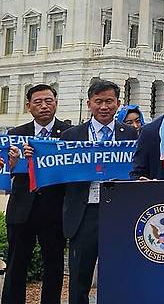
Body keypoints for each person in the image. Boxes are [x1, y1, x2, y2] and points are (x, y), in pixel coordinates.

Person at [63, 80, 138, 304]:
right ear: (89, 104)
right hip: (83, 213)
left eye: (109, 101)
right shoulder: (71, 136)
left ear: (118, 104)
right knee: (79, 277)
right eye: (98, 102)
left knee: (117, 274)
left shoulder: (130, 135)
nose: (104, 107)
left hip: (119, 212)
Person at [2, 84, 71, 304]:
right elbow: (6, 173)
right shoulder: (15, 135)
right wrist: (13, 164)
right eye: (38, 102)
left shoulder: (69, 134)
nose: (44, 106)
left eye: (48, 101)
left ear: (56, 103)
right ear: (29, 106)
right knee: (16, 265)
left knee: (54, 267)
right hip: (22, 210)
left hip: (55, 211)